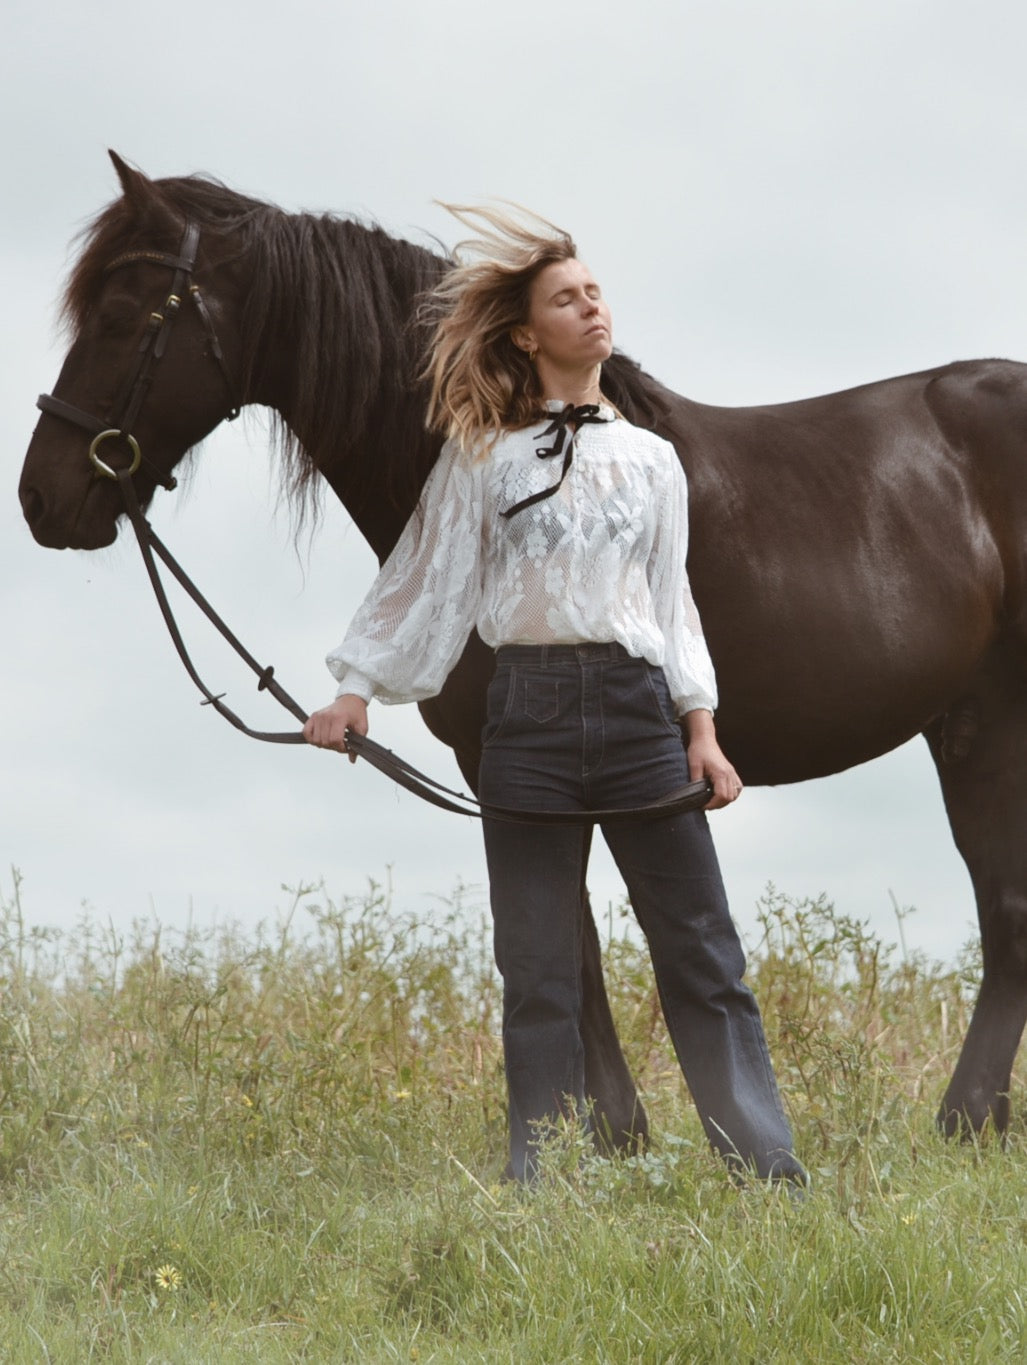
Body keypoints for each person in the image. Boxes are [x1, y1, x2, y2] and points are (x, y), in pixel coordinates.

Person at [304, 205, 806, 1188]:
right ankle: (543, 1183)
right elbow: (423, 577)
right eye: (565, 298)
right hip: (525, 722)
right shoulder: (480, 455)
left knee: (704, 956)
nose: (589, 306)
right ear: (527, 333)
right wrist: (355, 690)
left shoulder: (651, 461)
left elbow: (672, 607)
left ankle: (764, 1175)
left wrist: (700, 732)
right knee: (537, 975)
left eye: (595, 292)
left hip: (636, 716)